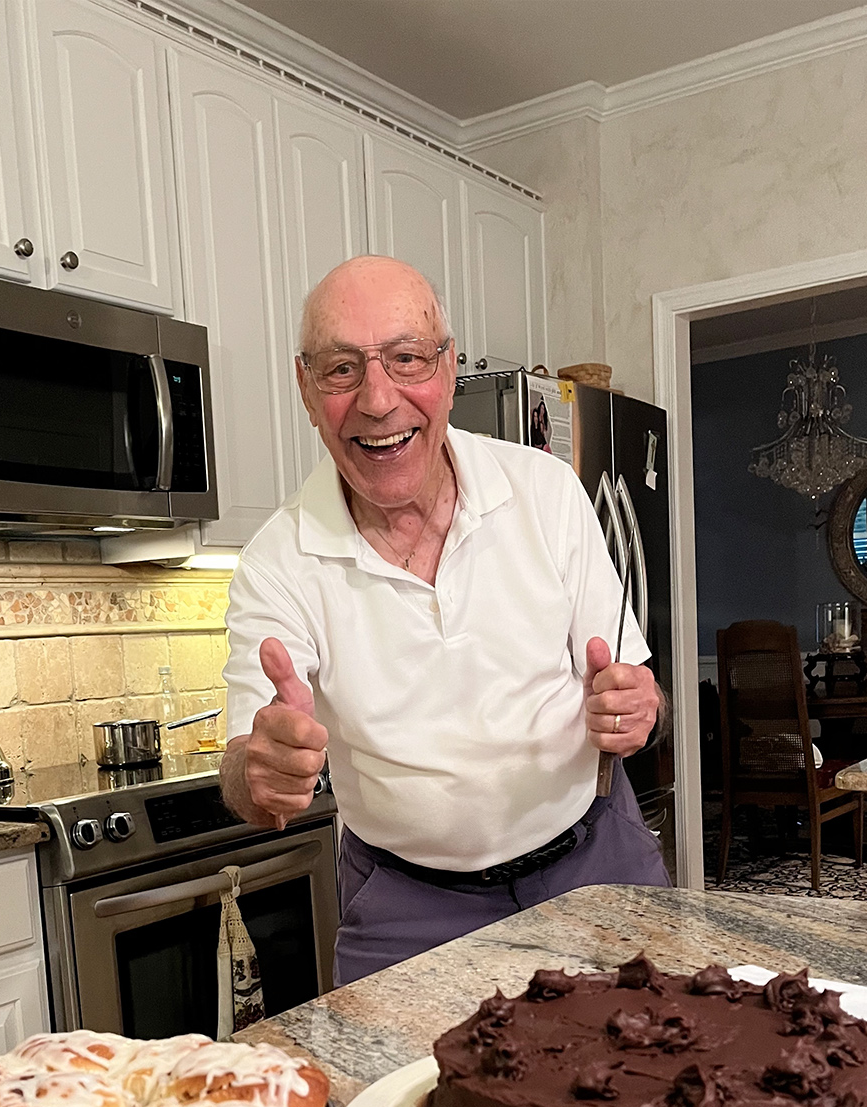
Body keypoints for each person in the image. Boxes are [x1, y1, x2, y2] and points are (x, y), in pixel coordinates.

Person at [219, 255, 668, 985]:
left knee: (651, 1079)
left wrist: (638, 705)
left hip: (595, 861)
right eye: (340, 370)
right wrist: (261, 770)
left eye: (405, 359)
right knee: (394, 1100)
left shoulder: (547, 493)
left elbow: (632, 687)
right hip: (406, 908)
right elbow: (243, 768)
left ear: (449, 368)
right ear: (305, 388)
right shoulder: (276, 562)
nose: (377, 399)